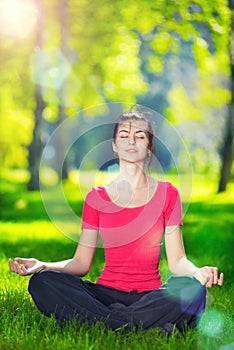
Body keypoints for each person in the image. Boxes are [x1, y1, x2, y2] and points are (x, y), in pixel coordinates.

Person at [9, 108, 224, 335]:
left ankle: (108, 322)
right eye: (124, 135)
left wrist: (197, 272)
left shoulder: (168, 194)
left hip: (150, 295)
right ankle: (143, 325)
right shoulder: (96, 197)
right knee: (43, 282)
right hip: (105, 294)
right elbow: (81, 264)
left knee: (193, 288)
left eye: (140, 136)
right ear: (114, 145)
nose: (131, 141)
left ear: (149, 147)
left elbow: (177, 261)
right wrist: (44, 265)